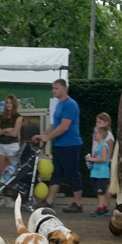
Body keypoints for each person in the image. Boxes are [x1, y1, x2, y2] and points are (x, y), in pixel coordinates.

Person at [33, 79, 84, 213]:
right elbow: (54, 126)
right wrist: (42, 135)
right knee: (57, 173)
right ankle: (49, 201)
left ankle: (78, 203)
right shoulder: (59, 105)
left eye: (55, 88)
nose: (53, 90)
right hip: (60, 145)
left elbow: (64, 127)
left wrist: (47, 138)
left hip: (71, 145)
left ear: (63, 89)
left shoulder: (71, 104)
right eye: (53, 88)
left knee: (72, 173)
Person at [0, 94, 23, 176]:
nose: (9, 104)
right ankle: (3, 188)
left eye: (11, 103)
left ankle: (11, 188)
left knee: (12, 173)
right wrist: (5, 130)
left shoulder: (18, 117)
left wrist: (1, 131)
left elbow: (14, 133)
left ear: (14, 104)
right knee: (1, 173)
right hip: (1, 146)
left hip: (12, 146)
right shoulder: (0, 117)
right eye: (7, 102)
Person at [85, 126, 111, 216]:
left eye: (95, 133)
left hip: (102, 174)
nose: (93, 135)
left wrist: (91, 159)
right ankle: (103, 207)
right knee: (99, 191)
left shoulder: (103, 146)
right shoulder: (99, 146)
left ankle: (100, 209)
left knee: (101, 192)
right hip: (97, 173)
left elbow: (103, 159)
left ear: (101, 135)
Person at [91, 112, 115, 209]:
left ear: (107, 123)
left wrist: (106, 163)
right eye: (97, 122)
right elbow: (94, 147)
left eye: (100, 122)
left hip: (104, 163)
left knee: (106, 184)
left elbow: (109, 151)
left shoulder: (108, 135)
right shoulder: (96, 134)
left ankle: (105, 205)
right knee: (99, 184)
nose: (97, 123)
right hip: (97, 162)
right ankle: (101, 204)